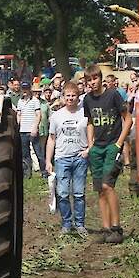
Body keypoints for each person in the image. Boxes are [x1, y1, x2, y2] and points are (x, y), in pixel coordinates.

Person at [83, 64, 131, 243]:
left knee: (107, 185)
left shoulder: (113, 95)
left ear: (101, 78)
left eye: (95, 79)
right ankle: (105, 228)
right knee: (99, 190)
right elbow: (89, 122)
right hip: (97, 148)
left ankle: (116, 228)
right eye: (89, 80)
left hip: (112, 145)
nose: (92, 83)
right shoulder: (87, 100)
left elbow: (128, 119)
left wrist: (119, 143)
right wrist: (91, 145)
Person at [46, 82, 92, 236]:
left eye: (74, 96)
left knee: (79, 193)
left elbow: (93, 133)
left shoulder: (85, 113)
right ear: (63, 97)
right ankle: (66, 223)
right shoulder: (56, 116)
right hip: (61, 158)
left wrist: (88, 150)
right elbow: (51, 139)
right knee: (62, 192)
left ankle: (80, 224)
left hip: (80, 157)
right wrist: (48, 161)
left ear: (78, 97)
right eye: (68, 96)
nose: (71, 98)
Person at [15, 82, 41, 177]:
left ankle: (44, 172)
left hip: (32, 130)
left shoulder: (35, 100)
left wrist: (35, 127)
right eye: (23, 89)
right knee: (25, 154)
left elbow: (38, 115)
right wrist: (18, 127)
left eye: (26, 88)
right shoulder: (20, 101)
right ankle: (27, 173)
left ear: (29, 89)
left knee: (39, 153)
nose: (24, 91)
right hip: (23, 130)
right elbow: (19, 115)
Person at [38, 85, 53, 179]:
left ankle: (45, 170)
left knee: (43, 150)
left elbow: (49, 116)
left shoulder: (44, 104)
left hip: (44, 129)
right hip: (33, 129)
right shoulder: (32, 102)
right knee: (37, 151)